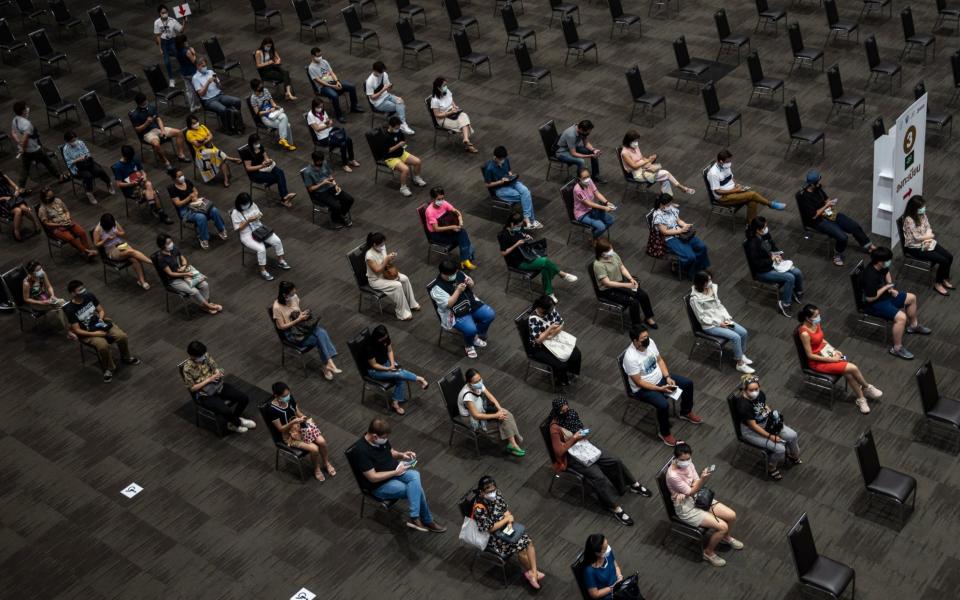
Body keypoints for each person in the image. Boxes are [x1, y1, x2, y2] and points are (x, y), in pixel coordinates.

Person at [549, 398, 650, 525]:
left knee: (615, 460)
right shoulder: (554, 428)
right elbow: (559, 451)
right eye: (563, 411)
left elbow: (580, 428)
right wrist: (574, 438)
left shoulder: (571, 414)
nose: (566, 411)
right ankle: (613, 508)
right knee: (599, 477)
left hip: (584, 447)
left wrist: (581, 434)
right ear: (558, 411)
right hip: (571, 457)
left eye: (566, 408)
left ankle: (632, 484)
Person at [354, 418, 446, 533]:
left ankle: (416, 517)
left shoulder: (380, 439)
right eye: (384, 438)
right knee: (415, 489)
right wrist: (395, 473)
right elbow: (372, 477)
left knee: (415, 475)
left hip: (395, 471)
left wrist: (402, 455)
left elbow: (390, 451)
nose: (386, 440)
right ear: (374, 436)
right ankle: (425, 520)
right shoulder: (361, 451)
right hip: (379, 485)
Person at [665, 442, 742, 567]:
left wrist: (696, 483)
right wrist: (702, 480)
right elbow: (691, 490)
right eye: (682, 460)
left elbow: (694, 483)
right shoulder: (673, 476)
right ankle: (708, 552)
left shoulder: (689, 464)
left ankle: (725, 537)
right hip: (686, 508)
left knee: (732, 515)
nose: (686, 462)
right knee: (723, 527)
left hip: (698, 497)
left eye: (688, 458)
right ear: (675, 458)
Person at [622, 325, 702, 446]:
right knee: (663, 405)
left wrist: (667, 377)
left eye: (647, 336)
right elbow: (639, 382)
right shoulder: (630, 357)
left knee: (687, 383)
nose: (647, 339)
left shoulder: (650, 343)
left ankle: (686, 412)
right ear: (635, 341)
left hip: (661, 379)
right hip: (643, 389)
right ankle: (665, 433)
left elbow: (659, 360)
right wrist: (659, 389)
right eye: (643, 338)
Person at [797, 304, 883, 414]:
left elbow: (821, 340)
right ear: (807, 318)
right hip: (818, 362)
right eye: (816, 315)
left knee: (847, 368)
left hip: (827, 354)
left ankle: (861, 399)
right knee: (853, 367)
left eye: (818, 314)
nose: (819, 317)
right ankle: (866, 387)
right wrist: (832, 360)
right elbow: (810, 355)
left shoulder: (815, 324)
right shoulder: (804, 333)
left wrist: (834, 350)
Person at [470, 475, 541, 589]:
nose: (493, 493)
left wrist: (509, 521)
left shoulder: (497, 495)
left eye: (494, 489)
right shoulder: (479, 508)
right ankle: (534, 573)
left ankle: (533, 573)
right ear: (482, 493)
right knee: (522, 548)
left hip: (503, 529)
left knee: (529, 542)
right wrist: (506, 520)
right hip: (492, 538)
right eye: (489, 491)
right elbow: (490, 528)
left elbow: (505, 510)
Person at [861, 246, 931, 360]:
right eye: (888, 260)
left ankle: (913, 326)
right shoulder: (870, 276)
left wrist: (890, 287)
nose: (889, 262)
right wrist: (886, 288)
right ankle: (897, 348)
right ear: (880, 261)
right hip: (874, 305)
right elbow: (870, 298)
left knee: (912, 298)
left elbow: (887, 272)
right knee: (901, 318)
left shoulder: (881, 266)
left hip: (885, 297)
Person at [64, 280, 142, 383]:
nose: (83, 291)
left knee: (122, 336)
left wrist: (100, 319)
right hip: (87, 332)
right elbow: (77, 330)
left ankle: (126, 357)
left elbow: (101, 310)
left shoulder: (89, 296)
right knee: (103, 345)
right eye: (80, 290)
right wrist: (95, 334)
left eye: (83, 288)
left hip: (99, 324)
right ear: (73, 293)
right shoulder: (70, 309)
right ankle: (109, 368)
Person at [797, 169, 875, 267]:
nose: (820, 183)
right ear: (812, 184)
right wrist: (826, 206)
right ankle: (837, 254)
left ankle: (869, 246)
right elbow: (814, 215)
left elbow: (826, 199)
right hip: (817, 221)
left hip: (828, 213)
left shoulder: (817, 188)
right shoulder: (805, 197)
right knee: (842, 237)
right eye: (818, 181)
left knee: (853, 226)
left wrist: (829, 203)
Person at [498, 211, 577, 303]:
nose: (520, 227)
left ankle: (549, 293)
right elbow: (503, 253)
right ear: (512, 224)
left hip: (527, 255)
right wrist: (516, 244)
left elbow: (521, 236)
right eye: (518, 225)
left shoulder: (518, 229)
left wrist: (525, 236)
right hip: (517, 262)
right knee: (545, 261)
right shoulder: (503, 235)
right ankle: (562, 274)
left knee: (545, 267)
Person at [181, 340, 256, 433]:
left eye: (203, 354)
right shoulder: (187, 369)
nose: (203, 357)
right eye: (201, 356)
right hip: (205, 395)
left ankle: (233, 421)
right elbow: (192, 388)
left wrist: (217, 373)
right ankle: (237, 423)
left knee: (244, 398)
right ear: (192, 356)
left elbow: (215, 367)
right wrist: (209, 379)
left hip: (218, 385)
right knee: (226, 411)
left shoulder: (205, 355)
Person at [736, 374, 801, 480]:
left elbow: (764, 406)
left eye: (756, 389)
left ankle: (794, 455)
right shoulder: (743, 405)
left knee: (792, 435)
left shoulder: (759, 394)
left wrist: (772, 417)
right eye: (751, 390)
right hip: (751, 431)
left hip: (765, 422)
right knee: (780, 449)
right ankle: (771, 467)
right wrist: (770, 436)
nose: (755, 392)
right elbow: (753, 426)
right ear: (745, 390)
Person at [272, 280, 341, 379]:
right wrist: (298, 320)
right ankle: (327, 365)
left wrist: (302, 315)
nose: (294, 295)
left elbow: (297, 312)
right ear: (284, 295)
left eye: (294, 292)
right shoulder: (277, 307)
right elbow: (281, 327)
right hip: (292, 334)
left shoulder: (294, 297)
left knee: (321, 332)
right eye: (292, 294)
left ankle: (328, 364)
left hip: (301, 328)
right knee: (320, 336)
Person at [267, 382, 336, 481]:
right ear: (276, 396)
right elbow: (280, 429)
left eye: (288, 394)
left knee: (322, 441)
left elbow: (297, 412)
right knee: (315, 449)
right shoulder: (272, 410)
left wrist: (304, 418)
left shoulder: (290, 399)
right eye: (284, 396)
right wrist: (292, 423)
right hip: (289, 436)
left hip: (300, 427)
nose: (287, 397)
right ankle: (316, 469)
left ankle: (326, 463)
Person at [428, 259, 496, 358]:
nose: (455, 275)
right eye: (453, 274)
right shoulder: (437, 288)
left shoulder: (458, 273)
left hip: (470, 303)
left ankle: (476, 336)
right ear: (444, 274)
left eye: (456, 272)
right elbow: (448, 305)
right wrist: (458, 291)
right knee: (470, 329)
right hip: (454, 312)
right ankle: (469, 345)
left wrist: (470, 283)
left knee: (489, 314)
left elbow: (471, 287)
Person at [689, 271, 755, 374]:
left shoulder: (711, 289)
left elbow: (719, 305)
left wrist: (726, 317)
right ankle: (740, 363)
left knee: (743, 332)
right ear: (701, 282)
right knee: (735, 337)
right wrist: (718, 323)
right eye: (708, 281)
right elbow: (702, 318)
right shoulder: (695, 299)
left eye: (710, 279)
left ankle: (741, 354)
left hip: (722, 320)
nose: (711, 282)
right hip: (710, 326)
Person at [745, 216, 804, 317]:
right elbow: (757, 264)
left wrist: (778, 254)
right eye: (765, 227)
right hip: (762, 271)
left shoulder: (765, 235)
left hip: (773, 263)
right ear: (758, 230)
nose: (766, 228)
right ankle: (785, 304)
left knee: (797, 272)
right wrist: (771, 259)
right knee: (790, 277)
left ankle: (797, 291)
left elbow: (773, 246)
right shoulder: (753, 244)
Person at [364, 324, 429, 415]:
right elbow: (374, 365)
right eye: (382, 339)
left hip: (386, 363)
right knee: (399, 374)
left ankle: (395, 403)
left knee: (399, 376)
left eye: (385, 338)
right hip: (375, 371)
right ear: (377, 338)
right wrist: (388, 369)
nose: (384, 340)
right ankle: (419, 378)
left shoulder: (385, 338)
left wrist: (392, 364)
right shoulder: (369, 347)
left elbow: (389, 351)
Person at [458, 369, 525, 455]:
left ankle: (513, 444)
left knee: (506, 414)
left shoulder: (478, 385)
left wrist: (499, 409)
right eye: (476, 382)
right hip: (470, 418)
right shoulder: (467, 396)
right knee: (499, 428)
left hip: (481, 407)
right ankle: (513, 443)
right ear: (469, 383)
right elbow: (475, 416)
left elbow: (490, 397)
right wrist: (496, 415)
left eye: (480, 379)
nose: (479, 382)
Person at [593, 238, 656, 328]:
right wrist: (626, 285)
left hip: (619, 283)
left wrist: (630, 279)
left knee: (643, 295)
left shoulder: (614, 255)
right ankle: (637, 326)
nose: (611, 251)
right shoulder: (598, 265)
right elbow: (607, 283)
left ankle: (648, 318)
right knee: (634, 302)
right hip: (609, 290)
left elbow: (622, 267)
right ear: (602, 253)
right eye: (608, 250)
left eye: (611, 248)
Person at [706, 149, 785, 221]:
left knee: (753, 201)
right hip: (723, 198)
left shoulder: (725, 166)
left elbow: (731, 177)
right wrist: (735, 190)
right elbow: (717, 191)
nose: (729, 163)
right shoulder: (713, 174)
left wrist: (736, 185)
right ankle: (770, 204)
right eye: (728, 161)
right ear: (721, 161)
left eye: (730, 161)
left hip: (733, 190)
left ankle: (750, 224)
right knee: (753, 194)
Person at [155, 234, 222, 314]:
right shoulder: (161, 259)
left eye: (171, 241)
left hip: (183, 273)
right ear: (162, 246)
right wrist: (185, 274)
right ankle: (209, 306)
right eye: (168, 243)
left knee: (205, 285)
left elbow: (183, 258)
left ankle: (204, 306)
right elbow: (170, 274)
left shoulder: (174, 249)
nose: (171, 244)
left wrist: (184, 266)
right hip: (174, 280)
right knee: (195, 291)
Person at [902, 194, 953, 296]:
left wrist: (929, 234)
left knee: (949, 257)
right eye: (921, 208)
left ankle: (943, 278)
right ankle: (937, 284)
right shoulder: (909, 220)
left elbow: (928, 226)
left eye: (923, 207)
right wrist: (929, 236)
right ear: (914, 208)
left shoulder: (922, 214)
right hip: (915, 247)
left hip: (927, 241)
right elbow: (916, 237)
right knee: (943, 261)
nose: (923, 209)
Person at [232, 192, 290, 280]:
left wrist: (257, 217)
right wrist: (248, 221)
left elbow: (260, 214)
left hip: (260, 229)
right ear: (240, 203)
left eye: (248, 203)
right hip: (247, 234)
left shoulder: (252, 204)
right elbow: (237, 229)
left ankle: (281, 261)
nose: (247, 205)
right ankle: (263, 271)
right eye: (245, 204)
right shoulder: (235, 213)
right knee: (261, 249)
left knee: (277, 241)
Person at [166, 167, 228, 249]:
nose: (182, 177)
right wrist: (189, 198)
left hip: (195, 204)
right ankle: (203, 238)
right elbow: (178, 204)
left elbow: (195, 191)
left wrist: (194, 196)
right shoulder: (172, 188)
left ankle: (221, 230)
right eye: (179, 176)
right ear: (174, 179)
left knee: (214, 210)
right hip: (185, 209)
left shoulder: (187, 181)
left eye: (182, 175)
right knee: (201, 217)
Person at [11, 100, 69, 188]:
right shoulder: (27, 124)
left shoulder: (15, 120)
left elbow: (13, 133)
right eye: (26, 107)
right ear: (23, 111)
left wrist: (19, 143)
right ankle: (60, 177)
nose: (27, 109)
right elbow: (26, 138)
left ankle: (21, 188)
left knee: (25, 169)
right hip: (34, 149)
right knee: (48, 162)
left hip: (25, 150)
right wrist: (23, 146)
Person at [364, 231, 420, 320]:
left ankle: (412, 304)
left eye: (383, 243)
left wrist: (390, 258)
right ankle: (402, 313)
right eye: (381, 244)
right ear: (374, 244)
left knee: (404, 278)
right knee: (397, 285)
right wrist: (386, 260)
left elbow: (386, 263)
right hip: (376, 280)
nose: (383, 246)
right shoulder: (369, 256)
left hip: (386, 274)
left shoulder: (382, 248)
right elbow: (377, 270)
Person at [652, 193, 709, 279]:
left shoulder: (670, 208)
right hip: (670, 238)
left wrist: (685, 225)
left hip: (680, 233)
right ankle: (681, 267)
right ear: (662, 204)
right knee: (690, 256)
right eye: (668, 204)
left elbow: (678, 220)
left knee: (702, 247)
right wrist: (680, 230)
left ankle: (697, 268)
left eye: (671, 203)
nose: (670, 205)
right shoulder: (658, 216)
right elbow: (664, 232)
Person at [620, 130, 695, 195]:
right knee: (665, 173)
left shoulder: (635, 147)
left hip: (645, 168)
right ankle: (681, 187)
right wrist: (647, 161)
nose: (636, 143)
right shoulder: (625, 153)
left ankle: (666, 201)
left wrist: (650, 159)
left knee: (665, 179)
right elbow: (634, 166)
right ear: (628, 141)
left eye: (637, 141)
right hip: (638, 174)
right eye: (634, 141)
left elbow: (641, 158)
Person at [528, 295, 581, 387]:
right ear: (540, 308)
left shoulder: (551, 310)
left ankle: (571, 372)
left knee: (576, 353)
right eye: (548, 310)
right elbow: (538, 340)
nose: (551, 311)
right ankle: (560, 381)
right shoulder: (533, 319)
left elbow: (561, 324)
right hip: (540, 348)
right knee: (561, 365)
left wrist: (552, 334)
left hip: (554, 339)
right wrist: (550, 329)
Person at [111, 145, 173, 224]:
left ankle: (152, 205)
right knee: (153, 193)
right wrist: (131, 183)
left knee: (149, 183)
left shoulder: (134, 159)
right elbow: (119, 184)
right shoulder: (118, 167)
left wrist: (144, 176)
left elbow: (142, 171)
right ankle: (161, 213)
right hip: (131, 189)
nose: (131, 160)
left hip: (139, 182)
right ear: (124, 156)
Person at [483, 145, 540, 229]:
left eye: (503, 159)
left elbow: (509, 170)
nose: (503, 161)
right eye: (501, 159)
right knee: (525, 196)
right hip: (500, 189)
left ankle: (527, 219)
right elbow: (487, 184)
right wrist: (500, 181)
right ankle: (530, 220)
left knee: (526, 192)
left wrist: (511, 175)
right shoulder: (489, 168)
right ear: (496, 157)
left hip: (511, 182)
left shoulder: (505, 160)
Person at [129, 93, 191, 169]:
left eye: (146, 101)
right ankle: (166, 162)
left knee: (179, 132)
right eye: (144, 103)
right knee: (156, 144)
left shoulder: (151, 107)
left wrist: (163, 130)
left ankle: (181, 155)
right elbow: (137, 130)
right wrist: (146, 124)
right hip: (147, 133)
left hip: (157, 129)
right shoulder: (135, 115)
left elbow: (158, 119)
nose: (146, 103)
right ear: (139, 103)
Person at [93, 213, 152, 290]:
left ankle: (142, 281)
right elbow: (96, 244)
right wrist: (105, 240)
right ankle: (152, 262)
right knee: (132, 252)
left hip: (121, 245)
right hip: (111, 250)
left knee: (134, 259)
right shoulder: (97, 230)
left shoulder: (114, 222)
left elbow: (122, 233)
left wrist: (118, 233)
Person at [36, 189, 98, 259]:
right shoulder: (42, 209)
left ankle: (87, 252)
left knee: (82, 232)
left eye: (53, 196)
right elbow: (46, 223)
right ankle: (87, 251)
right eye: (50, 197)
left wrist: (68, 217)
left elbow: (66, 211)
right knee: (70, 238)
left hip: (67, 222)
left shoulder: (57, 200)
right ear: (45, 198)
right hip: (56, 227)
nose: (53, 198)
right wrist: (59, 225)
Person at [372, 116, 425, 197]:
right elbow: (387, 151)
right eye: (397, 127)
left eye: (399, 127)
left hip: (401, 153)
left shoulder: (399, 131)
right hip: (390, 158)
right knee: (405, 169)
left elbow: (403, 140)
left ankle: (417, 178)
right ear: (391, 126)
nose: (398, 129)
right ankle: (403, 188)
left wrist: (403, 145)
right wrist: (398, 145)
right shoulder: (385, 136)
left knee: (418, 161)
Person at [424, 186, 475, 270]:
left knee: (462, 233)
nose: (441, 201)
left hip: (446, 229)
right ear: (433, 199)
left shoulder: (444, 203)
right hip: (437, 235)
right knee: (462, 235)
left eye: (442, 198)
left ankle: (465, 259)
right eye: (439, 199)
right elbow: (436, 229)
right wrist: (452, 227)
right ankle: (466, 258)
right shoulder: (430, 212)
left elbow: (455, 211)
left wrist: (460, 218)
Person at [307, 47, 362, 123]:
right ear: (313, 56)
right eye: (318, 56)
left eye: (320, 55)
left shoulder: (324, 62)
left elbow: (332, 73)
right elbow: (319, 81)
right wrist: (332, 86)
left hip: (333, 82)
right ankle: (339, 115)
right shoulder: (311, 68)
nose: (320, 57)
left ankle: (354, 107)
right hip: (323, 87)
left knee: (351, 87)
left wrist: (337, 81)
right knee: (334, 95)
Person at [239, 134, 297, 206]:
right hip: (255, 173)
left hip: (265, 167)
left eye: (258, 142)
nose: (258, 144)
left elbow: (266, 157)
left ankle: (284, 197)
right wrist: (261, 166)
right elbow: (248, 168)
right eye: (256, 143)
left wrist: (268, 161)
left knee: (280, 172)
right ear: (252, 143)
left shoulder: (260, 147)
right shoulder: (247, 153)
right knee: (277, 177)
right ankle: (284, 198)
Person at [302, 151, 354, 229]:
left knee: (349, 199)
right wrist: (323, 183)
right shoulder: (307, 172)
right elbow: (310, 189)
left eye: (322, 160)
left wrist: (336, 185)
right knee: (336, 206)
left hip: (330, 187)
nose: (321, 162)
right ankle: (336, 218)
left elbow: (329, 176)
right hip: (320, 193)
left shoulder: (324, 163)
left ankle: (339, 216)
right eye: (320, 161)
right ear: (315, 160)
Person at [184, 114, 239, 186]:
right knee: (220, 155)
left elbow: (211, 136)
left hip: (211, 148)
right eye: (193, 123)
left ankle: (226, 178)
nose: (196, 124)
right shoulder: (189, 133)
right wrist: (206, 139)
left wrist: (203, 140)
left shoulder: (202, 127)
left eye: (196, 122)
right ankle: (230, 159)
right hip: (201, 153)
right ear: (189, 124)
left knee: (220, 157)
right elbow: (197, 145)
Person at [582, 533, 642, 600]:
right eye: (605, 548)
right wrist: (613, 587)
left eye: (607, 544)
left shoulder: (607, 553)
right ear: (597, 553)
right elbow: (595, 594)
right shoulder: (589, 571)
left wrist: (619, 576)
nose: (608, 547)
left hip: (618, 587)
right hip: (608, 595)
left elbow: (616, 566)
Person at [192, 56, 244, 132]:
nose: (205, 67)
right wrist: (207, 83)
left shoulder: (210, 72)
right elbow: (201, 94)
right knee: (223, 109)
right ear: (197, 66)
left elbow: (221, 87)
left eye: (205, 65)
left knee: (237, 101)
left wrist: (217, 83)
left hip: (219, 95)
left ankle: (237, 121)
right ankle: (227, 127)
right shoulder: (195, 78)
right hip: (208, 100)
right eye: (203, 66)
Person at [306, 98, 360, 171]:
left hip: (331, 132)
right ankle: (344, 165)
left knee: (349, 140)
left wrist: (329, 121)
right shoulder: (310, 115)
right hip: (323, 137)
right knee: (343, 143)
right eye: (319, 107)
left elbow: (327, 120)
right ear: (314, 106)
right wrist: (327, 126)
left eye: (322, 107)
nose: (321, 109)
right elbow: (317, 129)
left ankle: (351, 159)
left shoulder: (322, 111)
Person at [61, 130, 114, 205]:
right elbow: (69, 163)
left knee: (99, 171)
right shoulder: (66, 150)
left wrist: (86, 156)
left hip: (87, 163)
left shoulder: (80, 143)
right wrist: (77, 159)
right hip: (77, 167)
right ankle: (89, 193)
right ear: (67, 141)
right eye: (72, 141)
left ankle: (109, 183)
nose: (75, 142)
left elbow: (87, 152)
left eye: (75, 139)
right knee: (88, 176)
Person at [22, 259, 72, 334]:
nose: (41, 271)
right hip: (36, 303)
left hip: (44, 297)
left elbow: (49, 287)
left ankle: (71, 327)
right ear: (32, 273)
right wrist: (41, 303)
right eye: (38, 270)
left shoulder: (42, 274)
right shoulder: (27, 283)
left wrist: (52, 295)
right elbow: (26, 299)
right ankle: (70, 329)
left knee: (62, 304)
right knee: (61, 304)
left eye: (40, 268)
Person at [364, 61, 414, 134]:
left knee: (400, 102)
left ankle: (402, 123)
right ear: (374, 70)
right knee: (399, 106)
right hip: (378, 102)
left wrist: (390, 86)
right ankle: (402, 124)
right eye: (380, 72)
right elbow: (372, 97)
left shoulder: (384, 74)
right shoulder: (369, 82)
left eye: (382, 72)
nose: (382, 74)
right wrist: (383, 90)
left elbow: (388, 88)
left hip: (387, 96)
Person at [429, 77, 475, 152]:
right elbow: (437, 115)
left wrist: (455, 106)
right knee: (463, 124)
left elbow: (451, 100)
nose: (445, 87)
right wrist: (450, 112)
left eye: (446, 85)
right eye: (444, 85)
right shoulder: (435, 100)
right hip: (443, 118)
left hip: (452, 112)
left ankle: (466, 139)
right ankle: (468, 143)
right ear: (438, 88)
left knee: (464, 116)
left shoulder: (447, 91)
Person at [248, 79, 295, 151]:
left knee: (283, 116)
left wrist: (276, 106)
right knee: (287, 125)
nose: (261, 87)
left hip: (273, 112)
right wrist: (267, 111)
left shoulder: (265, 90)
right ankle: (289, 144)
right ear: (255, 88)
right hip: (265, 117)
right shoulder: (253, 98)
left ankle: (283, 139)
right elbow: (258, 113)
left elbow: (272, 102)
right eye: (259, 86)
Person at [572, 168, 615, 239]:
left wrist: (607, 202)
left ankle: (594, 231)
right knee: (601, 227)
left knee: (610, 220)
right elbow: (588, 203)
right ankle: (593, 238)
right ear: (579, 178)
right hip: (582, 213)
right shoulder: (577, 190)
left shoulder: (590, 181)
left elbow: (597, 193)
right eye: (584, 178)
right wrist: (604, 207)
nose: (587, 179)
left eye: (588, 176)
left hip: (592, 209)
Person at [0, 170, 39, 241]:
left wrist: (16, 190)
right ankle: (16, 232)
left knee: (24, 208)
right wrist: (4, 198)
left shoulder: (3, 177)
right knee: (18, 211)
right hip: (2, 204)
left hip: (12, 199)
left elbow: (15, 186)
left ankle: (36, 224)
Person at [153, 4, 183, 87]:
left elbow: (181, 30)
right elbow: (158, 36)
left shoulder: (172, 20)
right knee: (166, 62)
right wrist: (160, 48)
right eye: (162, 12)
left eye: (165, 12)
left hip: (173, 41)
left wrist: (184, 22)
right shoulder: (157, 22)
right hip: (164, 43)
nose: (164, 13)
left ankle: (184, 70)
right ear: (159, 13)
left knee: (180, 55)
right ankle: (171, 79)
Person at [174, 34, 201, 112]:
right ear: (183, 42)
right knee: (197, 88)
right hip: (192, 72)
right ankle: (201, 103)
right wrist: (194, 53)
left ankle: (192, 107)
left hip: (184, 73)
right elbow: (194, 61)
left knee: (189, 90)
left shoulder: (176, 50)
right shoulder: (187, 51)